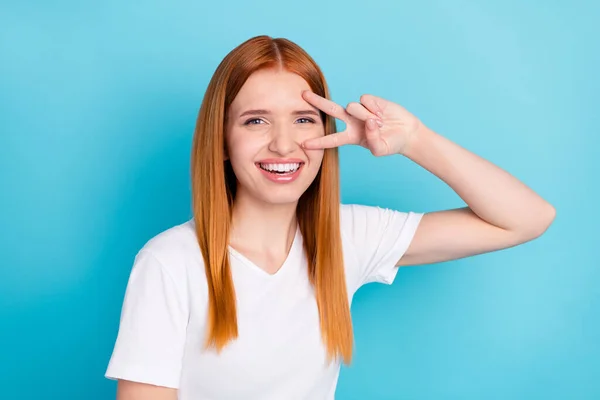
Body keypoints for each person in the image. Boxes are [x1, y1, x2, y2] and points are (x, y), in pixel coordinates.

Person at [104, 35, 556, 400]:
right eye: (256, 121)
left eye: (303, 120)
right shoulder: (170, 262)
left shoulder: (348, 237)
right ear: (220, 141)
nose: (284, 145)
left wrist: (415, 140)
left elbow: (526, 218)